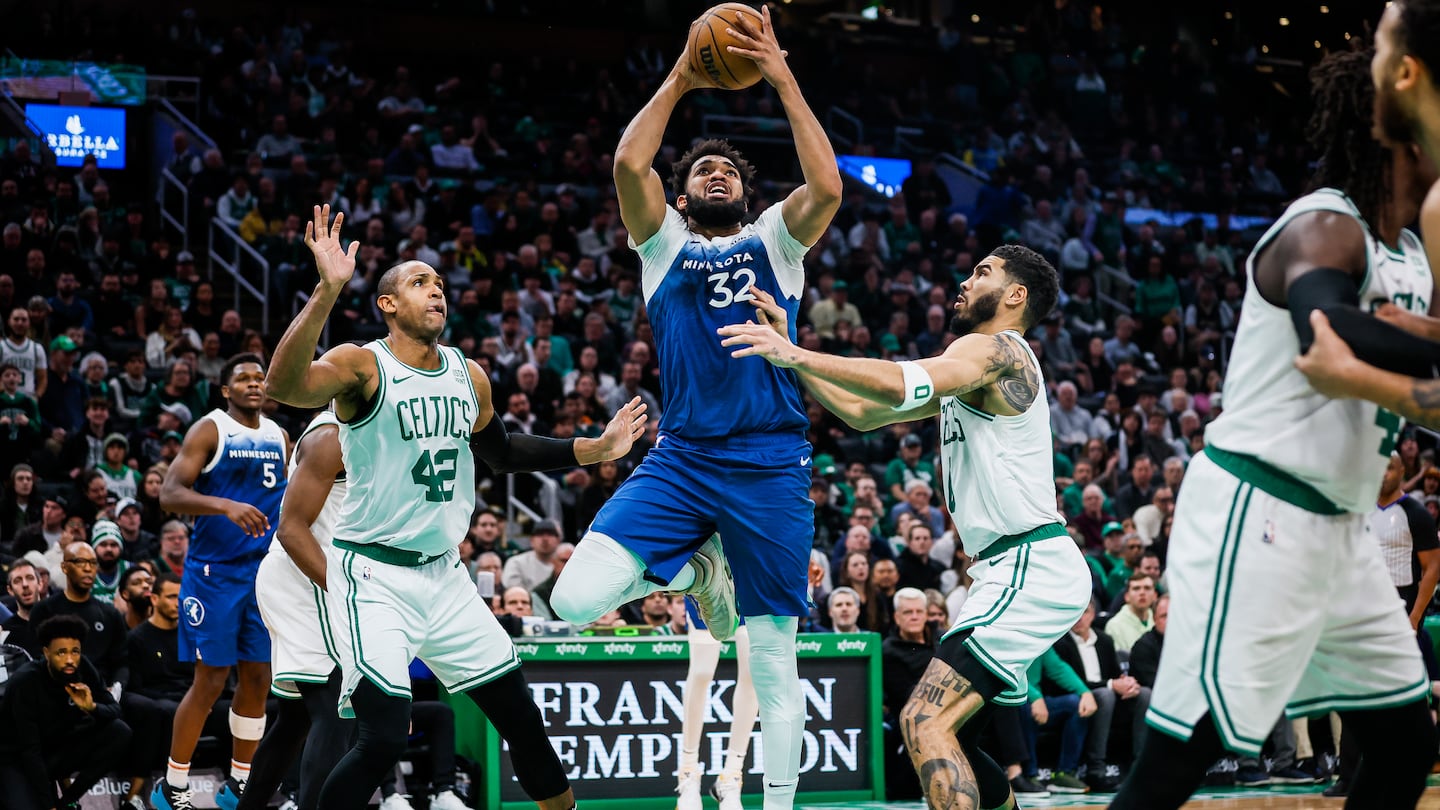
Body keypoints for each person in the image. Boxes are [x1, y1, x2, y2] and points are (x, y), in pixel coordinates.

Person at [1111, 50, 1440, 810]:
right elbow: (1332, 329)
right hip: (1260, 509)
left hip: (1342, 528)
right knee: (1182, 751)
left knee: (1404, 743)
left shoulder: (1413, 250)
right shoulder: (1325, 224)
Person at [547, 10, 842, 810]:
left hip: (771, 463)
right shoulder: (663, 245)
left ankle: (773, 804)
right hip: (683, 457)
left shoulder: (778, 241)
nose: (717, 174)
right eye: (702, 169)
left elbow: (827, 187)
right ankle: (697, 569)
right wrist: (682, 74)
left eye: (729, 171)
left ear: (747, 193)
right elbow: (626, 162)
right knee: (571, 601)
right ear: (680, 194)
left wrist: (780, 78)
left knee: (775, 663)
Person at [265, 205, 646, 810]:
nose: (437, 290)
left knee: (522, 718)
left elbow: (501, 452)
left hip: (445, 576)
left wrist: (591, 447)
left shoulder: (470, 376)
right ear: (388, 304)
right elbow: (282, 389)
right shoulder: (363, 365)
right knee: (381, 738)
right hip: (374, 573)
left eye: (440, 284)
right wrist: (327, 289)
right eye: (420, 282)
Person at [718, 242, 1088, 810]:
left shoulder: (993, 350)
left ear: (1016, 296)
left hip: (1028, 564)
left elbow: (897, 383)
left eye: (982, 272)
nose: (965, 281)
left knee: (922, 721)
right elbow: (863, 412)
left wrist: (795, 354)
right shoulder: (974, 372)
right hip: (1007, 569)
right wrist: (788, 350)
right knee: (951, 734)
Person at [151, 353, 288, 810]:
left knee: (257, 678)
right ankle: (172, 785)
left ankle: (240, 785)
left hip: (262, 573)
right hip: (214, 574)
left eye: (260, 377)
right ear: (225, 390)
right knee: (210, 681)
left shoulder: (279, 436)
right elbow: (169, 494)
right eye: (243, 378)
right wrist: (224, 505)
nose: (254, 383)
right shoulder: (211, 429)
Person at [236, 411, 367, 810]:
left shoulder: (363, 430)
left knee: (295, 720)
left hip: (310, 577)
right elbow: (291, 529)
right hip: (308, 575)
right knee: (337, 707)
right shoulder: (331, 437)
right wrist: (345, 594)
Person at [0, 614, 132, 810]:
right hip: (17, 759)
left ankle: (68, 801)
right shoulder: (25, 682)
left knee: (119, 731)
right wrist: (48, 804)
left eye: (75, 652)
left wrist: (92, 708)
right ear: (46, 653)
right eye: (61, 653)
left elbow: (115, 710)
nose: (70, 659)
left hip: (56, 749)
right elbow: (30, 751)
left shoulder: (83, 667)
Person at [677, 597, 758, 810]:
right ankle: (688, 774)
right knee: (702, 670)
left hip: (750, 570)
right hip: (709, 567)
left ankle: (731, 777)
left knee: (753, 671)